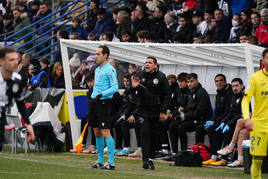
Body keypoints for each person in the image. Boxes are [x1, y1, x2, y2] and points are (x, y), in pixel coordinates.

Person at [130, 56, 171, 169]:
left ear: (155, 66)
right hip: (143, 111)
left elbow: (167, 95)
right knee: (145, 133)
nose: (147, 64)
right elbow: (132, 91)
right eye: (146, 62)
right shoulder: (139, 75)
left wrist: (163, 111)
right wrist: (135, 106)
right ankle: (145, 160)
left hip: (156, 111)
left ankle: (150, 158)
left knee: (153, 135)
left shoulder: (161, 77)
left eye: (150, 62)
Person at [0, 47, 35, 153]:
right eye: (11, 60)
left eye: (16, 59)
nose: (15, 62)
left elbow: (20, 103)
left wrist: (28, 124)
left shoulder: (17, 80)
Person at [89, 45, 118, 170]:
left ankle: (111, 162)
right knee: (96, 131)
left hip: (104, 103)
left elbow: (115, 88)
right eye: (95, 54)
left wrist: (101, 94)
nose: (96, 56)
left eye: (98, 54)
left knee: (105, 131)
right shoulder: (97, 70)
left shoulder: (110, 69)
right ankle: (100, 161)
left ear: (105, 55)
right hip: (94, 102)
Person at [241, 48, 268, 179]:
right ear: (263, 61)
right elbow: (245, 100)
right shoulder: (255, 78)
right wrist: (247, 119)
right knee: (257, 160)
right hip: (259, 125)